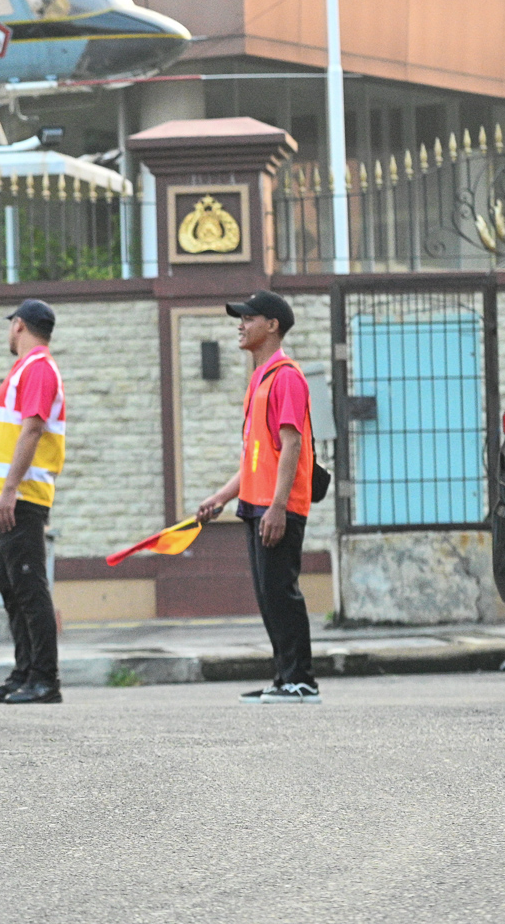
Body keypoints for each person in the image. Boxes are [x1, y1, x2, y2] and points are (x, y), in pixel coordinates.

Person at [195, 290, 320, 705]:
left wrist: (279, 507)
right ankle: (284, 677)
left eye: (249, 318)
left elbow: (292, 444)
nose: (241, 325)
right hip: (256, 503)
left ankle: (301, 681)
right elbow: (255, 456)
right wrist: (221, 498)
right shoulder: (260, 380)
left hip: (277, 506)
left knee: (281, 591)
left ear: (272, 325)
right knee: (269, 596)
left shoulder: (287, 377)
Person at [0, 299, 66, 706]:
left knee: (29, 587)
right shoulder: (25, 369)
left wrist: (10, 489)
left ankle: (45, 679)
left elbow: (32, 430)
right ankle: (24, 673)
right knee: (12, 587)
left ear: (18, 326)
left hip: (21, 498)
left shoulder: (39, 368)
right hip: (5, 496)